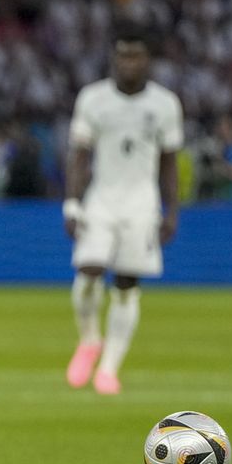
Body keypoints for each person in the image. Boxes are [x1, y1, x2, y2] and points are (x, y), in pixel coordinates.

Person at [64, 25, 183, 395]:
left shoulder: (165, 104)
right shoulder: (93, 98)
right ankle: (89, 339)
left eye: (136, 55)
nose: (128, 62)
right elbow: (80, 155)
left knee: (127, 283)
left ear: (148, 60)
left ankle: (109, 368)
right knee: (88, 272)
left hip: (141, 203)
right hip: (101, 199)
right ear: (113, 58)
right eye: (122, 55)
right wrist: (72, 202)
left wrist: (171, 211)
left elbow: (169, 162)